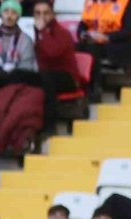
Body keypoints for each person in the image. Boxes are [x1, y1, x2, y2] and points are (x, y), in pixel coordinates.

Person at [32, 0, 81, 128]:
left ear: (53, 14)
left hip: (67, 77)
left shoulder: (62, 33)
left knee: (47, 78)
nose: (41, 17)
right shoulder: (31, 32)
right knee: (17, 76)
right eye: (37, 13)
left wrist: (42, 32)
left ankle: (49, 126)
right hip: (43, 74)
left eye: (45, 13)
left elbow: (52, 53)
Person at [77, 0, 131, 98]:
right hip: (92, 41)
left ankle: (95, 88)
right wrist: (83, 35)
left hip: (116, 43)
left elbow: (127, 31)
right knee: (77, 47)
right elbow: (82, 26)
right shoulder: (90, 2)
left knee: (93, 49)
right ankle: (76, 87)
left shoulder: (125, 2)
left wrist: (106, 37)